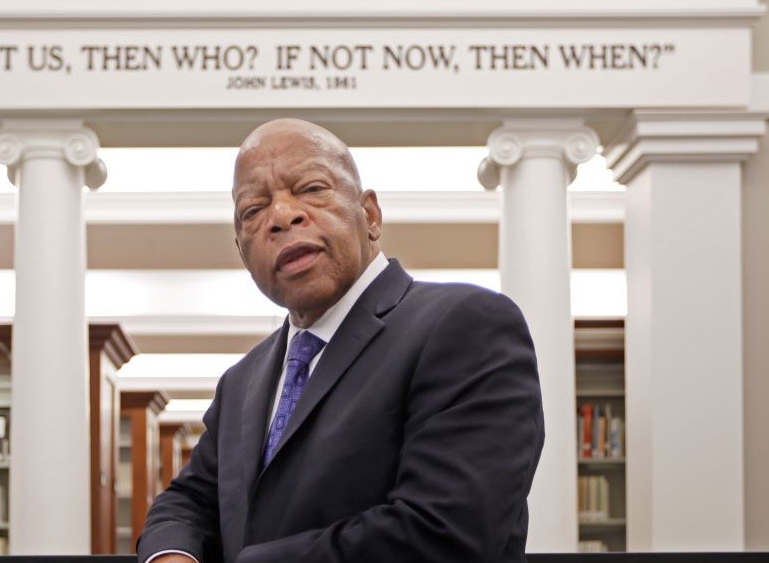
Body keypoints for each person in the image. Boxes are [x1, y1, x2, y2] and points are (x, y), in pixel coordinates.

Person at [137, 118, 545, 563]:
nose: (280, 216)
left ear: (370, 215)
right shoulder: (242, 379)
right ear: (242, 253)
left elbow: (446, 532)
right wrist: (170, 554)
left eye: (311, 188)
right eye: (252, 211)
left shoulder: (466, 325)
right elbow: (189, 501)